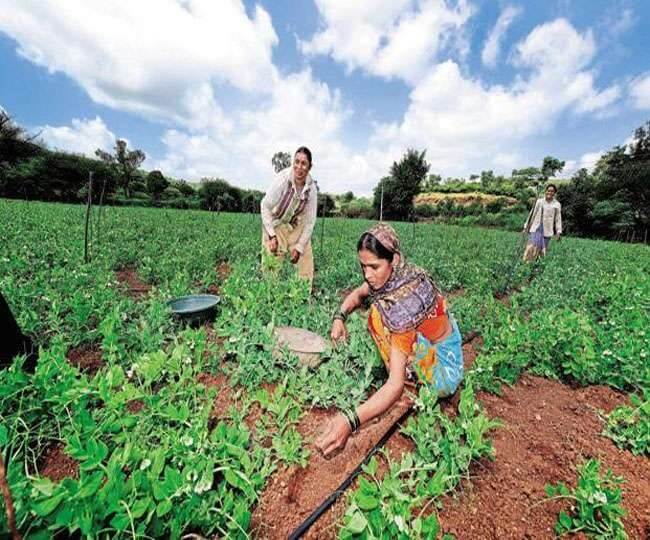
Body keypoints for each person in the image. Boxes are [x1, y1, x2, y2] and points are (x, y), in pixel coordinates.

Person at [315, 223, 464, 458]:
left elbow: (394, 387)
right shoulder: (398, 276)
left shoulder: (403, 306)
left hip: (444, 369)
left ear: (393, 260)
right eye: (363, 266)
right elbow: (357, 294)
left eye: (374, 266)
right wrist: (339, 318)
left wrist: (350, 421)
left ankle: (416, 383)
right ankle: (406, 365)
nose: (367, 274)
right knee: (378, 311)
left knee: (379, 317)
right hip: (442, 337)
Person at [261, 147, 318, 285]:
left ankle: (303, 294)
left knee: (305, 256)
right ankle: (270, 293)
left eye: (304, 163)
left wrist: (299, 247)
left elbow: (310, 222)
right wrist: (271, 235)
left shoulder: (311, 190)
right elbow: (265, 206)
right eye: (296, 162)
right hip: (275, 222)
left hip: (294, 224)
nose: (299, 167)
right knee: (272, 259)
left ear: (310, 167)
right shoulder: (283, 180)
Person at [522, 183, 562, 261]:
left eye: (552, 191)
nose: (550, 193)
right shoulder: (539, 201)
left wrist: (558, 231)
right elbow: (532, 214)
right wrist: (526, 227)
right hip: (536, 228)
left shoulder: (557, 204)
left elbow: (558, 219)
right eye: (548, 191)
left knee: (542, 251)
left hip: (547, 231)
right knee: (531, 248)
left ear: (554, 193)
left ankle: (537, 269)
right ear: (545, 191)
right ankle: (526, 266)